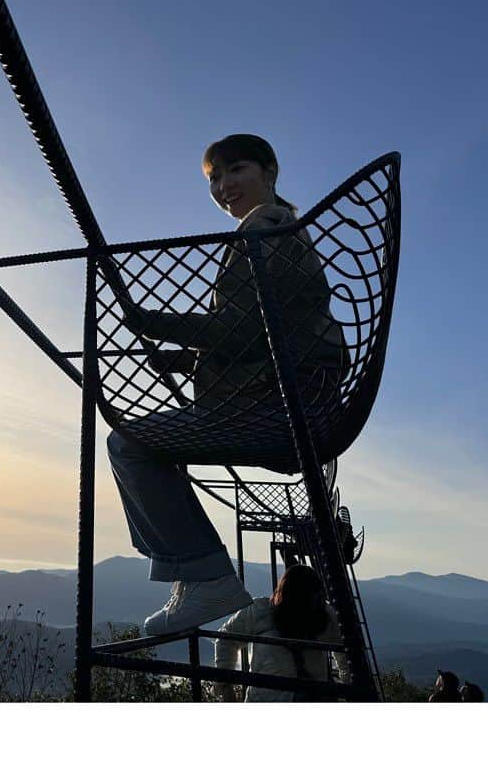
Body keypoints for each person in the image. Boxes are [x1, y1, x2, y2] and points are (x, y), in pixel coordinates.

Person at [107, 133, 348, 634]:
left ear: (269, 171)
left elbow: (235, 328)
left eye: (235, 170)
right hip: (298, 398)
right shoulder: (283, 229)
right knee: (145, 443)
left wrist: (146, 320)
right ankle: (196, 574)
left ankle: (205, 576)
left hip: (277, 408)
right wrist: (188, 358)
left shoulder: (263, 231)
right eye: (215, 177)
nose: (223, 185)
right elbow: (260, 332)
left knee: (128, 444)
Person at [214, 564, 350, 702]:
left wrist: (349, 689)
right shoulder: (260, 611)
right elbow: (226, 639)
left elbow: (345, 655)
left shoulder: (324, 615)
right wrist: (226, 686)